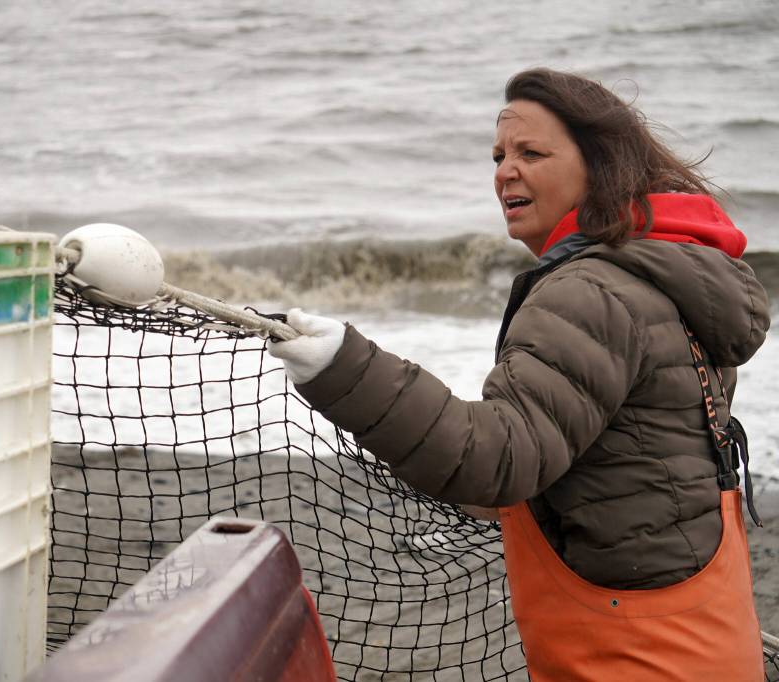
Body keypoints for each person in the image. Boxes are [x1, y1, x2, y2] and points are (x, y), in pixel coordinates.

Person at [267, 68, 771, 680]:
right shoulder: (668, 275)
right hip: (713, 637)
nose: (505, 170)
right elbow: (617, 462)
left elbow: (498, 461)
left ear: (601, 165)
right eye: (500, 155)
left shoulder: (590, 291)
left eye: (532, 153)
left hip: (635, 656)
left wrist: (342, 366)